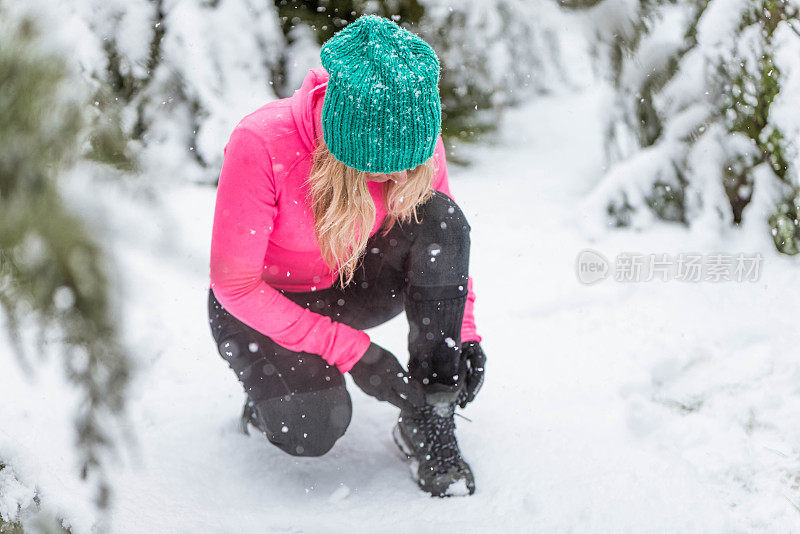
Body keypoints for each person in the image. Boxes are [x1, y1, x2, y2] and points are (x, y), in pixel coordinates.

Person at [207, 14, 486, 497]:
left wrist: (463, 335)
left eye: (408, 167)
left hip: (350, 285)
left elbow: (445, 241)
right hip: (262, 307)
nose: (395, 182)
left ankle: (429, 418)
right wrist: (354, 352)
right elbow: (234, 285)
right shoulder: (262, 144)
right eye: (379, 172)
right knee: (311, 427)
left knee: (438, 215)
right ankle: (269, 393)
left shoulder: (416, 139)